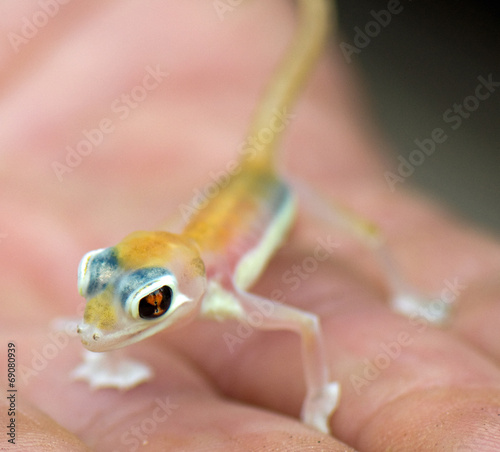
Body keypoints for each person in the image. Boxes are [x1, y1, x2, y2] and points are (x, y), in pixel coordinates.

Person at [1, 2, 499, 450]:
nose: (94, 319)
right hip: (215, 207)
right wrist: (106, 349)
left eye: (152, 304)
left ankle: (406, 293)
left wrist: (317, 398)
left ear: (194, 289)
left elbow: (308, 326)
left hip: (273, 194)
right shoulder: (175, 277)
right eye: (96, 279)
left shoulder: (226, 295)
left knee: (366, 233)